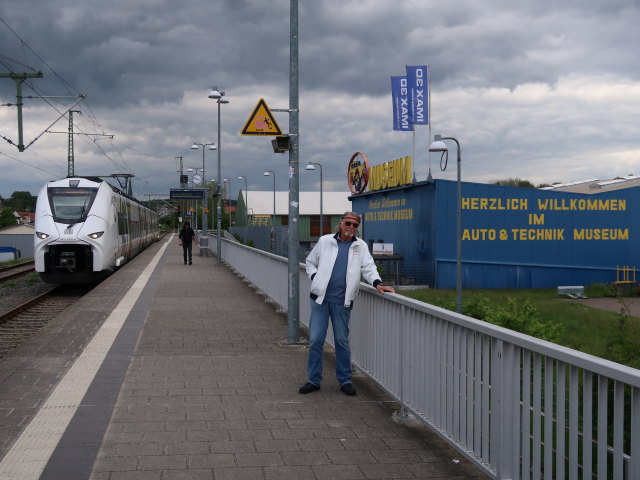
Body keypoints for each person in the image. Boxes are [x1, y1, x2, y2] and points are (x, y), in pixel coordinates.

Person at [299, 212, 395, 396]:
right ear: (341, 223)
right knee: (315, 340)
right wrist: (315, 277)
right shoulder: (325, 241)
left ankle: (345, 381)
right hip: (320, 300)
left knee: (342, 342)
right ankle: (313, 380)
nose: (351, 227)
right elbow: (310, 262)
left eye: (355, 225)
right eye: (348, 223)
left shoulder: (360, 246)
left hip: (342, 302)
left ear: (357, 228)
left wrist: (378, 283)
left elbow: (368, 267)